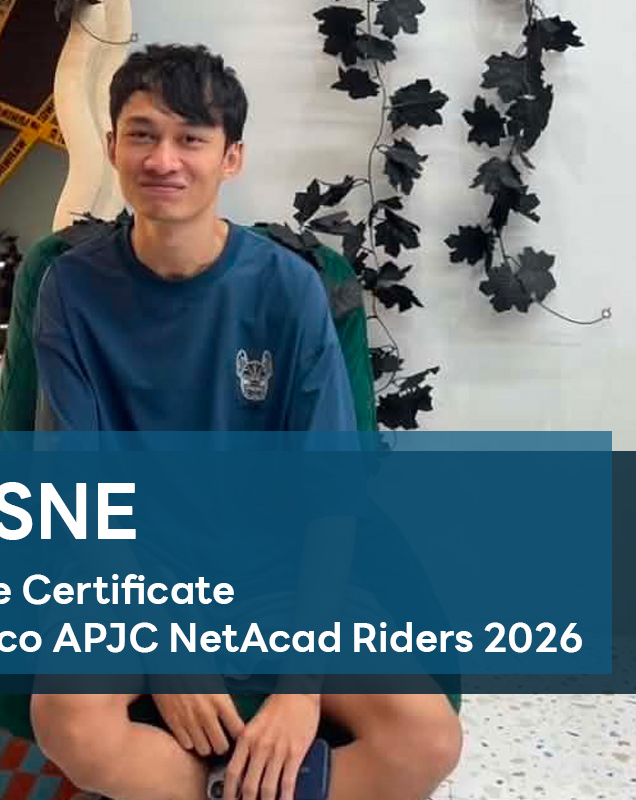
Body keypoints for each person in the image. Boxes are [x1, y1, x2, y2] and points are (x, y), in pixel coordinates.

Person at [30, 44, 461, 800]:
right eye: (142, 135)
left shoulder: (289, 288)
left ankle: (228, 787)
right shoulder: (70, 288)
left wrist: (299, 689)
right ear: (112, 147)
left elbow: (331, 499)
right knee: (67, 718)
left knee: (428, 740)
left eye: (190, 138)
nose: (164, 159)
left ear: (231, 157)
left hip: (276, 580)